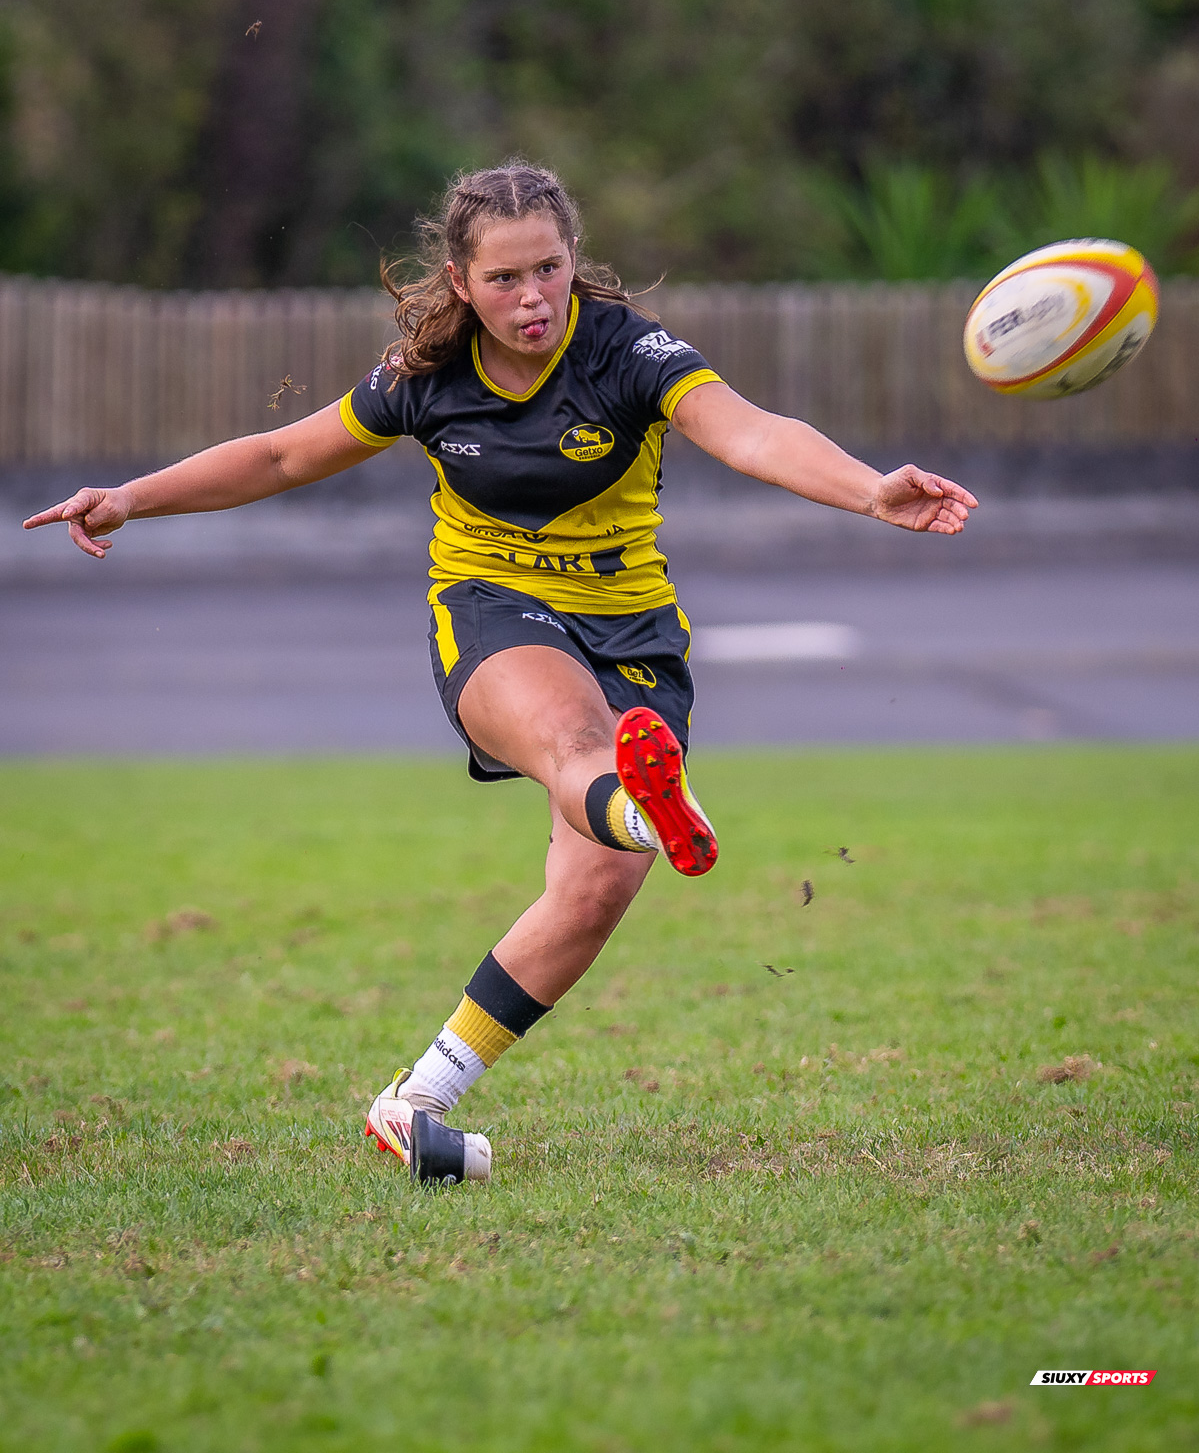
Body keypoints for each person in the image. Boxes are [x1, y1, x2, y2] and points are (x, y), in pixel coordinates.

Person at [24, 161, 978, 1185]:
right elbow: (276, 458)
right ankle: (642, 802)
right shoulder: (423, 377)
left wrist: (869, 490)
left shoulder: (628, 353)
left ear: (574, 260)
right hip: (489, 612)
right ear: (460, 280)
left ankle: (418, 1099)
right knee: (575, 742)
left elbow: (748, 433)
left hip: (631, 630)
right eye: (506, 279)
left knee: (592, 892)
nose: (533, 299)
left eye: (550, 271)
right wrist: (131, 497)